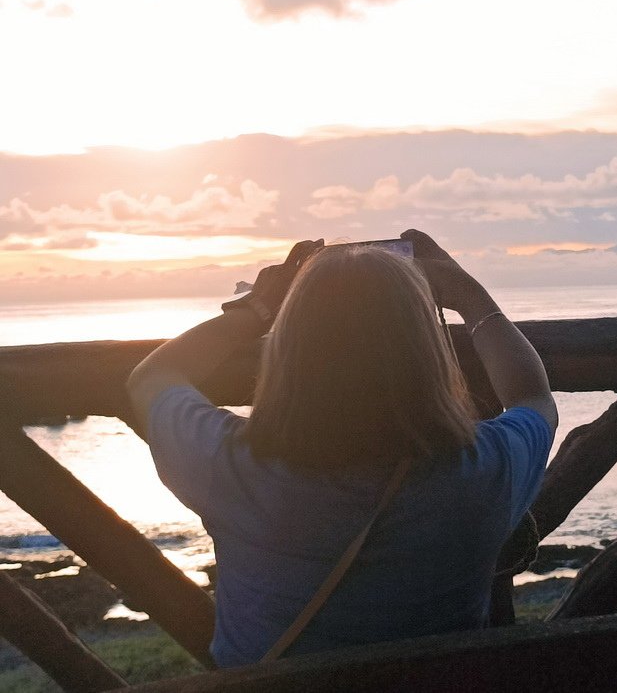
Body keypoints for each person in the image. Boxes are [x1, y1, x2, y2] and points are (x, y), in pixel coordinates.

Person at [126, 230, 557, 667]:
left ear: (287, 353)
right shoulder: (483, 469)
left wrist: (254, 311)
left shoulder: (234, 467)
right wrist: (469, 296)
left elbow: (152, 378)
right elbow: (532, 397)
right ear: (426, 351)